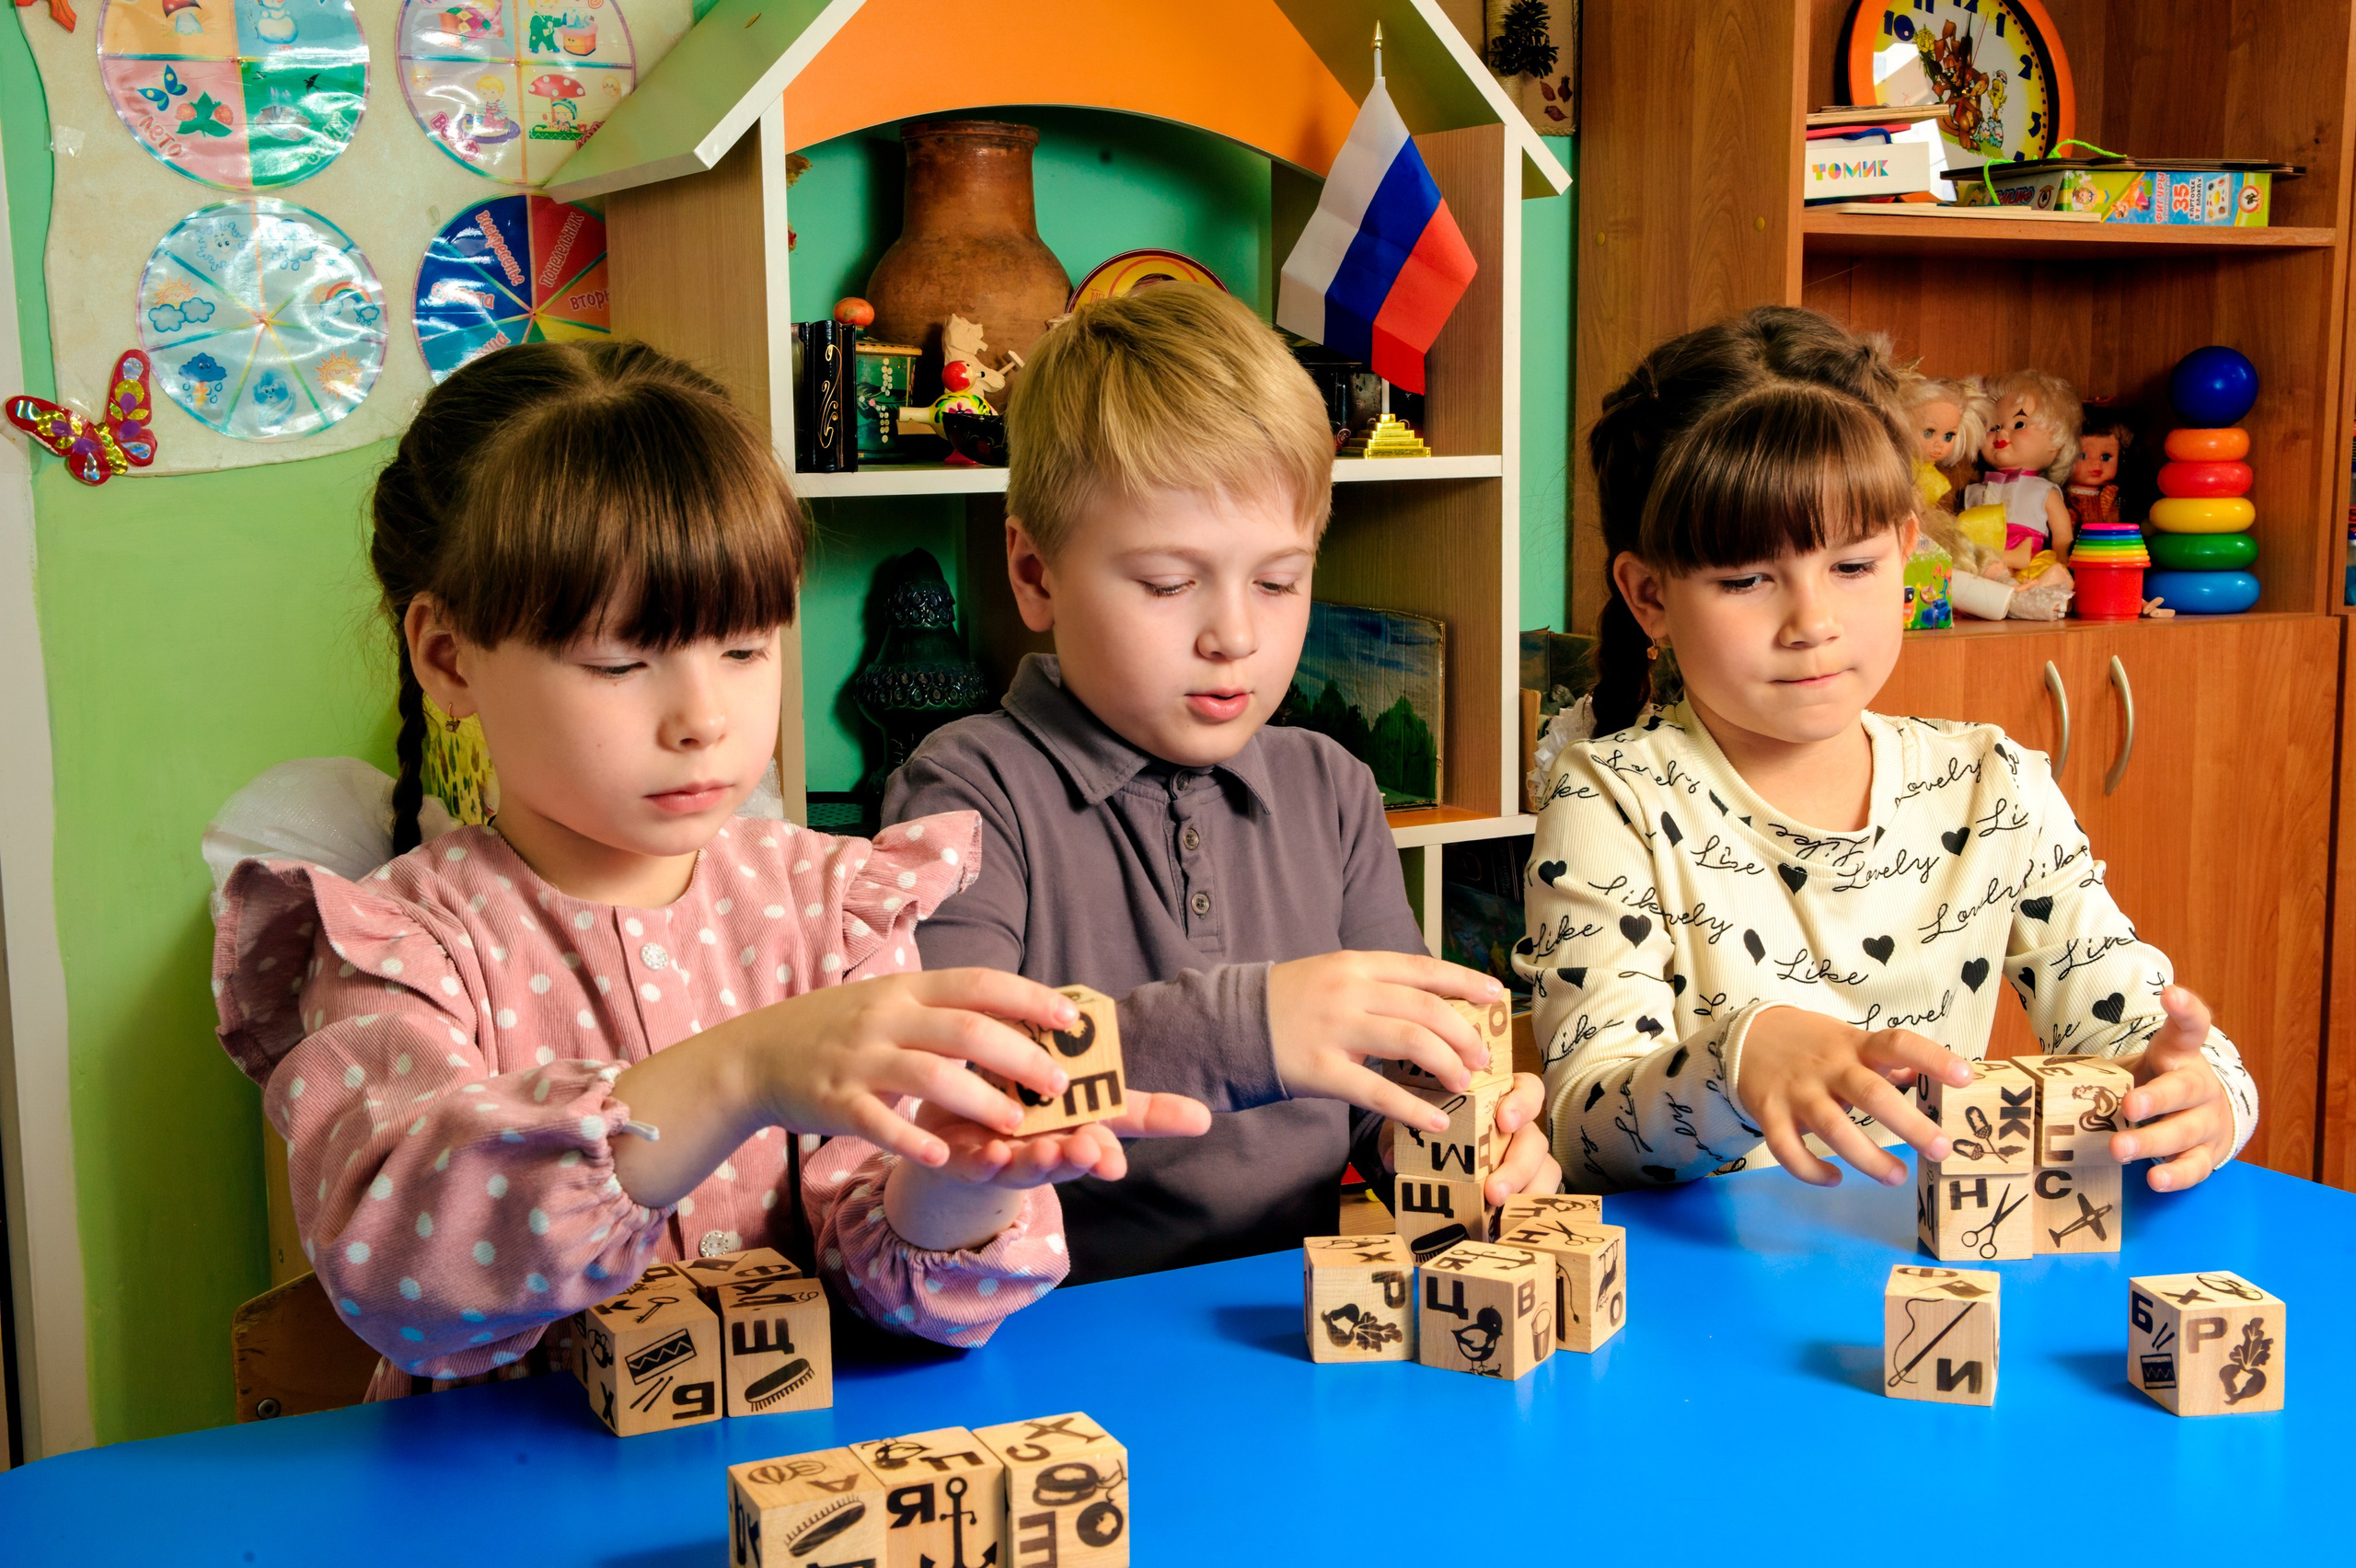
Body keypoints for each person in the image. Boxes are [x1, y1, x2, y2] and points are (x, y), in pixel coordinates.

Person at [209, 340, 1208, 1396]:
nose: (703, 719)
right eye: (620, 662)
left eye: (743, 650)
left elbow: (895, 1291)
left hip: (794, 1469)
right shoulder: (396, 946)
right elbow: (401, 1279)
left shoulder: (833, 906)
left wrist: (955, 1185)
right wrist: (742, 1072)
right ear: (449, 657)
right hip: (510, 1481)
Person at [866, 283, 1562, 1291]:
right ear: (1034, 574)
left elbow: (1393, 1082)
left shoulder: (1333, 787)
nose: (1234, 635)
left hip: (1289, 1312)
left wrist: (1466, 1148)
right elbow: (957, 1093)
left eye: (1278, 582)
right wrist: (1249, 1028)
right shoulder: (965, 792)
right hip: (1043, 1317)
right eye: (1168, 583)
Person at [1518, 307, 2256, 1194]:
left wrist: (2204, 1091)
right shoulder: (1613, 798)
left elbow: (2132, 1024)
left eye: (1852, 566)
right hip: (1700, 1269)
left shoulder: (1992, 784)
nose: (1813, 623)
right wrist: (1736, 1061)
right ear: (1650, 598)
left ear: (1906, 550)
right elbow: (1584, 1129)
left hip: (1930, 1256)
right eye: (1746, 579)